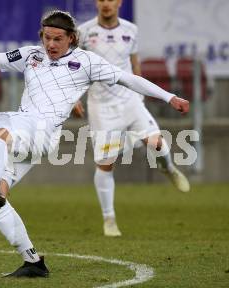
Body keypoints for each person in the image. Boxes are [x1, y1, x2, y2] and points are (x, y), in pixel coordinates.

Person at [0, 10, 189, 278]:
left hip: (43, 131)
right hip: (26, 134)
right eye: (47, 38)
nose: (51, 45)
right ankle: (33, 261)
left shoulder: (88, 62)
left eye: (58, 39)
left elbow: (129, 79)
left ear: (71, 38)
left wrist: (169, 97)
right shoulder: (30, 55)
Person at [76, 0, 190, 237]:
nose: (106, 4)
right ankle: (109, 220)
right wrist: (74, 96)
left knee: (156, 143)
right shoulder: (84, 32)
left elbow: (135, 66)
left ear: (119, 3)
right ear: (97, 3)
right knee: (106, 164)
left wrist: (141, 93)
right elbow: (75, 67)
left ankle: (168, 168)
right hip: (101, 106)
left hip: (129, 100)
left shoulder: (131, 30)